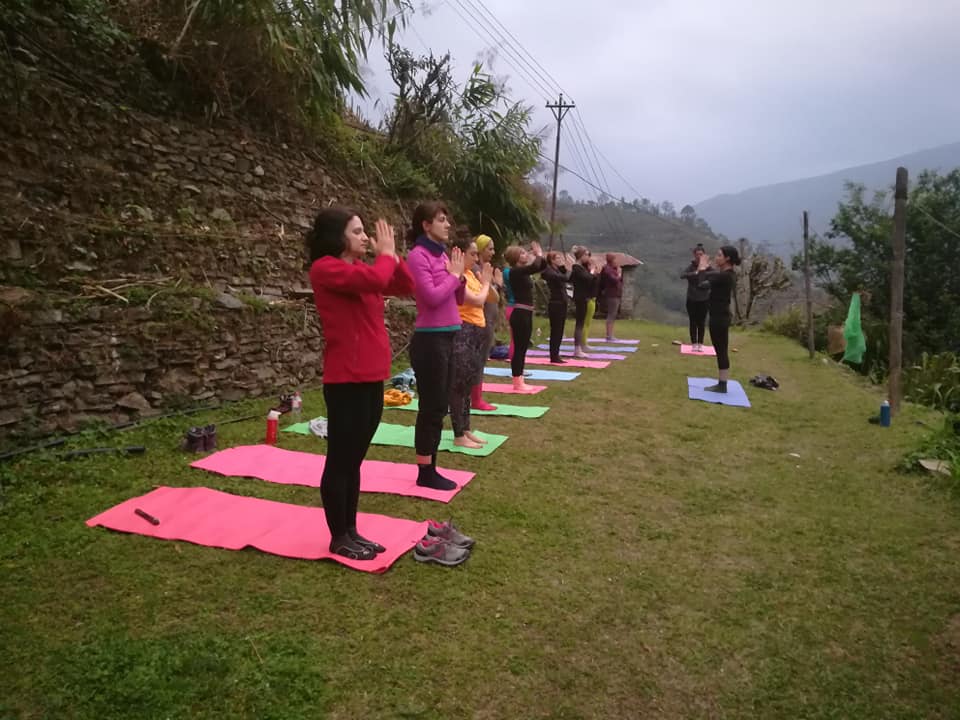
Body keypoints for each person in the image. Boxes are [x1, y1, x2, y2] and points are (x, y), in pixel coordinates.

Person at [307, 208, 414, 561]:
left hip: (371, 376)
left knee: (354, 460)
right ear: (338, 237)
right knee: (341, 460)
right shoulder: (326, 269)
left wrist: (392, 254)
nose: (365, 238)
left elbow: (404, 285)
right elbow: (372, 282)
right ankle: (339, 535)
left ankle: (351, 530)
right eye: (357, 232)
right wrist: (383, 257)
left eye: (366, 232)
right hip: (346, 379)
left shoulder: (361, 270)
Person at [406, 201, 466, 490]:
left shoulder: (442, 257)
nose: (447, 224)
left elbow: (457, 300)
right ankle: (425, 471)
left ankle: (432, 465)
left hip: (448, 336)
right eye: (441, 220)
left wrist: (461, 277)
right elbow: (430, 297)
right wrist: (454, 277)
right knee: (431, 406)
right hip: (430, 340)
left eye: (447, 219)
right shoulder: (418, 256)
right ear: (426, 225)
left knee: (440, 405)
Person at [449, 237, 495, 449]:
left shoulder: (472, 275)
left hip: (477, 331)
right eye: (473, 254)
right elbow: (477, 300)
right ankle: (458, 433)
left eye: (478, 254)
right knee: (458, 385)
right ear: (460, 254)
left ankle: (466, 429)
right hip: (463, 331)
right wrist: (485, 283)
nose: (477, 258)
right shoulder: (457, 277)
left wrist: (485, 280)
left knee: (468, 384)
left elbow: (493, 298)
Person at [697, 245, 742, 393]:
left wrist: (702, 268)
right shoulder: (727, 274)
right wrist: (706, 269)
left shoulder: (725, 276)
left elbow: (702, 285)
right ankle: (722, 383)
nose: (716, 257)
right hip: (721, 316)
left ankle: (722, 385)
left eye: (719, 255)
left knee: (721, 350)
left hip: (719, 317)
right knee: (721, 349)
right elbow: (713, 276)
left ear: (727, 258)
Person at [504, 241, 546, 391]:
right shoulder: (515, 271)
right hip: (519, 312)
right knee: (520, 348)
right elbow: (535, 266)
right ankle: (517, 381)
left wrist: (540, 255)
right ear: (515, 257)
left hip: (526, 312)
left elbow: (541, 267)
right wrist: (538, 255)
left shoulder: (522, 271)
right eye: (522, 253)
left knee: (523, 346)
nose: (525, 254)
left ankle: (520, 379)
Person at [472, 234, 500, 411]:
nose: (493, 252)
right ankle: (475, 399)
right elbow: (488, 294)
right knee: (478, 360)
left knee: (481, 359)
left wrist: (497, 284)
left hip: (487, 319)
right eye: (490, 249)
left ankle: (475, 397)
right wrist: (494, 284)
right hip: (479, 321)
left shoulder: (484, 268)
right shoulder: (476, 269)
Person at [569, 246, 600, 358]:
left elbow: (592, 280)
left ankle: (580, 347)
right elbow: (587, 279)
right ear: (581, 256)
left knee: (581, 323)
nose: (588, 257)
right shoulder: (577, 268)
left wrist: (593, 273)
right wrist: (592, 271)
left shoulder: (581, 268)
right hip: (580, 298)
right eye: (586, 255)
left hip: (584, 297)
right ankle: (577, 349)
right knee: (580, 324)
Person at [542, 251, 571, 363]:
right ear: (552, 260)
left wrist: (564, 266)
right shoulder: (550, 272)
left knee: (560, 330)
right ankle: (554, 355)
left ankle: (556, 353)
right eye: (557, 258)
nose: (560, 260)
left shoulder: (557, 270)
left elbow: (563, 273)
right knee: (556, 330)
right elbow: (565, 278)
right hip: (556, 303)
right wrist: (568, 269)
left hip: (561, 302)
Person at [681, 244, 710, 352]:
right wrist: (695, 273)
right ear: (694, 255)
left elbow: (715, 275)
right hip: (692, 298)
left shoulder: (707, 266)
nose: (699, 256)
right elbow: (682, 275)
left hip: (704, 298)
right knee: (693, 321)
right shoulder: (692, 266)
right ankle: (694, 343)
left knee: (701, 322)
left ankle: (700, 344)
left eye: (701, 254)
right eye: (697, 254)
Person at [599, 252, 623, 342]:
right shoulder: (607, 269)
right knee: (611, 315)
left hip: (616, 294)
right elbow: (614, 280)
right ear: (612, 260)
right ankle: (609, 335)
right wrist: (619, 273)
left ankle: (611, 334)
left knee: (613, 314)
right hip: (611, 294)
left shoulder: (613, 269)